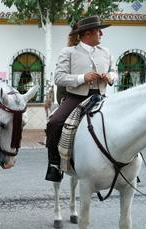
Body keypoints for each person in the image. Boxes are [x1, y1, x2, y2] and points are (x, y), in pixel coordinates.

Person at [45, 16, 118, 182]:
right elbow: (59, 77)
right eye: (98, 31)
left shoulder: (106, 52)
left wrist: (110, 77)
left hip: (101, 97)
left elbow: (115, 71)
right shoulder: (69, 52)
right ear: (87, 34)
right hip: (75, 98)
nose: (101, 34)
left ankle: (127, 163)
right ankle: (54, 164)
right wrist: (82, 78)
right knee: (54, 122)